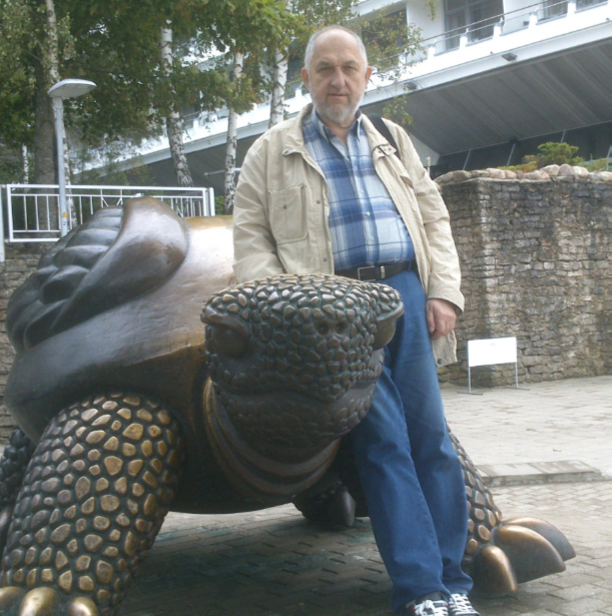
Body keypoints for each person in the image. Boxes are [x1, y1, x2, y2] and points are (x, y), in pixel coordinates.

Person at [233, 25, 480, 616]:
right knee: (384, 445)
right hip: (334, 309)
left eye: (349, 68)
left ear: (368, 76)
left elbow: (434, 218)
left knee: (433, 441)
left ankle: (454, 584)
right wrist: (293, 306)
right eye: (325, 69)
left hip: (407, 294)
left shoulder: (393, 139)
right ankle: (421, 590)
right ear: (307, 78)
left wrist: (443, 293)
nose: (338, 80)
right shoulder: (270, 151)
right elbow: (251, 240)